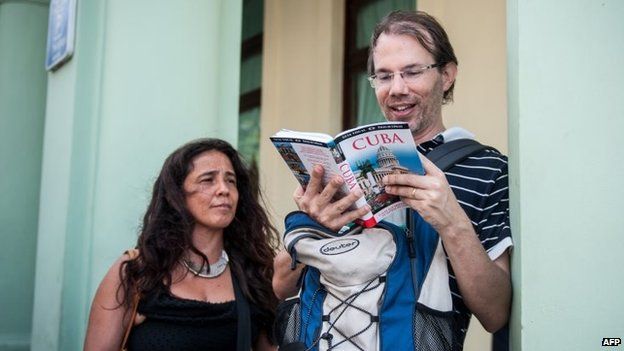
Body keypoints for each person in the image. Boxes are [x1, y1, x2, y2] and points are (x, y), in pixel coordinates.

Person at [273, 10, 512, 350]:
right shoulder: (344, 165)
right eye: (383, 76)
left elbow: (495, 314)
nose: (397, 89)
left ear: (447, 74)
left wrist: (452, 221)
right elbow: (280, 287)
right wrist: (310, 228)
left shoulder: (487, 168)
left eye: (412, 72)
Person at [84, 138, 278, 351]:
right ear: (177, 194)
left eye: (231, 180)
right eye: (207, 180)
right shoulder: (137, 271)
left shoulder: (253, 274)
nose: (224, 189)